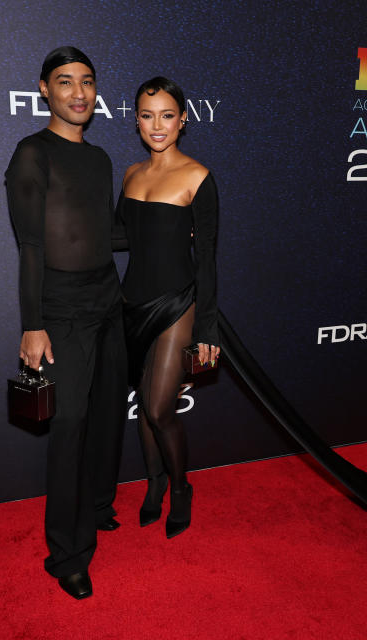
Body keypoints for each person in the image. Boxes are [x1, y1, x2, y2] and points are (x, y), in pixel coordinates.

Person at [5, 46, 126, 600]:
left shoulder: (101, 159)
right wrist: (33, 324)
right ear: (44, 90)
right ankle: (68, 554)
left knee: (106, 413)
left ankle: (98, 504)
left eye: (87, 82)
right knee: (70, 422)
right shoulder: (32, 153)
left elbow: (105, 233)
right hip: (60, 307)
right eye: (65, 82)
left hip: (108, 298)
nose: (78, 93)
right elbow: (30, 245)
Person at [114, 77, 220, 539]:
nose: (157, 125)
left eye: (167, 115)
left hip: (178, 303)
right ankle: (153, 485)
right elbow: (120, 238)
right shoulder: (131, 174)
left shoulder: (198, 177)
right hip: (131, 302)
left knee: (159, 409)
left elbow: (209, 259)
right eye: (147, 114)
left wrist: (209, 330)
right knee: (142, 404)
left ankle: (180, 488)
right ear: (136, 120)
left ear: (182, 120)